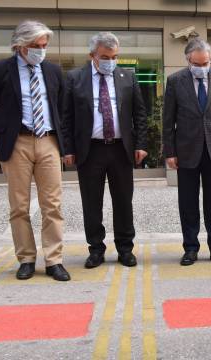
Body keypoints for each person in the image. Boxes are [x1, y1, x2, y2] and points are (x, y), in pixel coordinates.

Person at [0, 20, 70, 281]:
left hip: (48, 141)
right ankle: (26, 258)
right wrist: (4, 132)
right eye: (35, 46)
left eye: (44, 45)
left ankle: (54, 260)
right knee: (19, 205)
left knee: (52, 204)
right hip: (17, 142)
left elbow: (61, 106)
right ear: (19, 46)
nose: (40, 50)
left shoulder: (52, 70)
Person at [62, 32, 148, 269]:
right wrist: (67, 148)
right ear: (92, 55)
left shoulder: (127, 77)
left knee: (123, 201)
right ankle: (96, 249)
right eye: (106, 56)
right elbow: (66, 117)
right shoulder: (75, 78)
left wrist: (141, 144)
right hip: (90, 150)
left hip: (121, 150)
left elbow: (139, 114)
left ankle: (125, 249)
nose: (111, 60)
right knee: (92, 203)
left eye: (115, 56)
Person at [162, 38, 211, 266]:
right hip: (186, 151)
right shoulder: (175, 81)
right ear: (188, 60)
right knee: (188, 203)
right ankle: (190, 248)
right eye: (197, 63)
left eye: (205, 63)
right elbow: (168, 120)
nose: (202, 67)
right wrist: (169, 152)